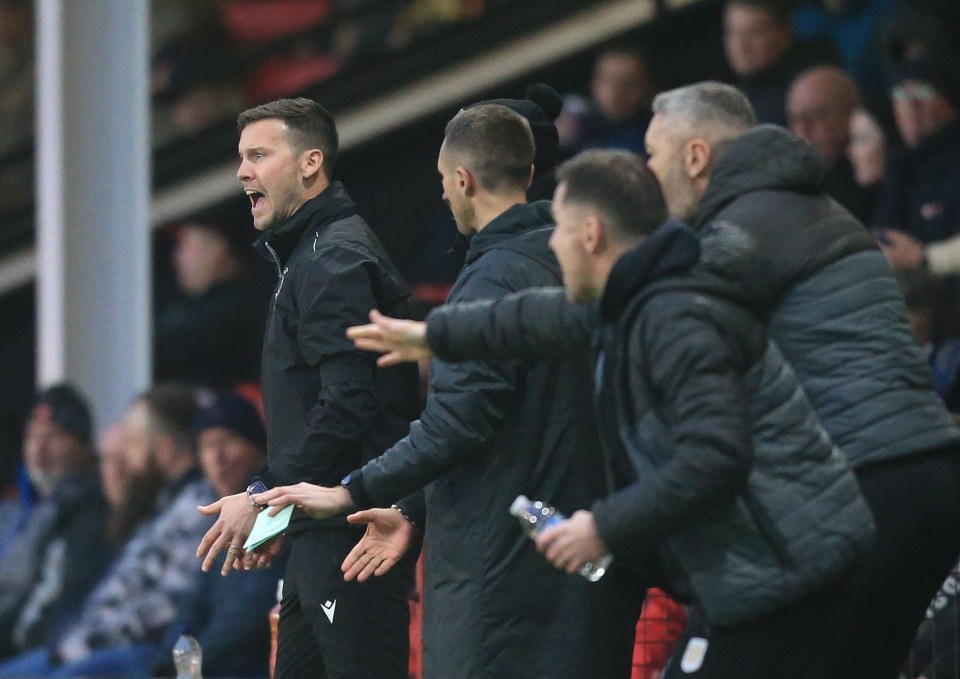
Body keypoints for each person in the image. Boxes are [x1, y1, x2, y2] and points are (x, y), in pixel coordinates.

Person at [344, 149, 875, 678]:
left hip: (797, 571)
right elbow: (533, 319)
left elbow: (716, 457)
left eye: (560, 229)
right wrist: (433, 335)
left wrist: (602, 528)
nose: (550, 243)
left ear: (592, 235)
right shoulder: (633, 300)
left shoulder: (674, 316)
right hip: (766, 568)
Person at [254, 104, 640, 679]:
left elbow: (454, 426)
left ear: (461, 180)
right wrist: (412, 508)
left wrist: (344, 493)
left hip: (504, 569)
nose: (441, 197)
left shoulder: (484, 280)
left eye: (256, 155)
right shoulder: (574, 272)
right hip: (583, 547)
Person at [640, 81, 960, 678]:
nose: (648, 174)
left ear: (695, 156)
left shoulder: (735, 235)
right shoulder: (823, 211)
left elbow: (665, 344)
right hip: (930, 487)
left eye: (655, 155)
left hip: (862, 496)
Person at [195, 97, 419, 679]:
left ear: (310, 163)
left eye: (258, 155)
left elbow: (348, 405)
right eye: (241, 158)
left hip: (353, 536)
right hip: (319, 533)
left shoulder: (332, 260)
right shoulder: (309, 257)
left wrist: (262, 495)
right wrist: (279, 519)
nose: (242, 172)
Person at [0, 384, 214, 677]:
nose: (127, 459)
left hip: (135, 651)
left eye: (136, 442)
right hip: (86, 643)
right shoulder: (163, 506)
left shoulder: (196, 506)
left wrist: (80, 644)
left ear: (164, 446)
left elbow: (165, 606)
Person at [153, 393, 285, 678]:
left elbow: (249, 618)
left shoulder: (274, 515)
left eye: (228, 441)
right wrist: (173, 656)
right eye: (207, 446)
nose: (217, 457)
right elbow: (192, 604)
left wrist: (187, 665)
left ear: (259, 451)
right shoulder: (217, 519)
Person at [0, 385, 110, 660]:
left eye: (53, 437)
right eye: (32, 437)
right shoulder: (23, 506)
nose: (38, 450)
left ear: (84, 445)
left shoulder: (90, 509)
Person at [154, 207, 271, 389]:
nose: (177, 258)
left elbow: (162, 345)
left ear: (218, 247)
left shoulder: (242, 307)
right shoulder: (191, 306)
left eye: (185, 245)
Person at [874, 57, 960, 278]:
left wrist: (924, 258)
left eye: (922, 92)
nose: (911, 105)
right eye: (901, 95)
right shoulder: (898, 167)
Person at [786, 65, 875, 221]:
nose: (802, 130)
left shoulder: (883, 174)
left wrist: (872, 184)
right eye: (795, 119)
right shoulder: (790, 182)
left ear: (852, 113)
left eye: (815, 115)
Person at [723, 0, 833, 125]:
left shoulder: (810, 87)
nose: (740, 46)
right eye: (732, 32)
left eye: (754, 33)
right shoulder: (731, 87)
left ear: (784, 31)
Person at [557, 44, 655, 156]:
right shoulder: (579, 124)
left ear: (645, 88)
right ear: (595, 84)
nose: (616, 92)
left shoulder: (653, 135)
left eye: (628, 83)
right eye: (608, 80)